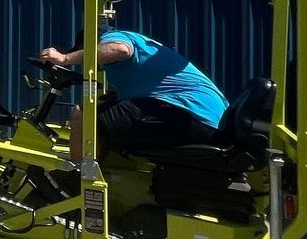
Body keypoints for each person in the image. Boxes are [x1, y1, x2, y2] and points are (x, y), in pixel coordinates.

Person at [38, 26, 227, 160]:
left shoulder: (116, 38)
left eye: (83, 52)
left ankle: (78, 183)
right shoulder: (142, 53)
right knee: (108, 118)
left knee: (83, 115)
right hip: (206, 118)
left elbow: (120, 50)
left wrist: (64, 58)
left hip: (189, 112)